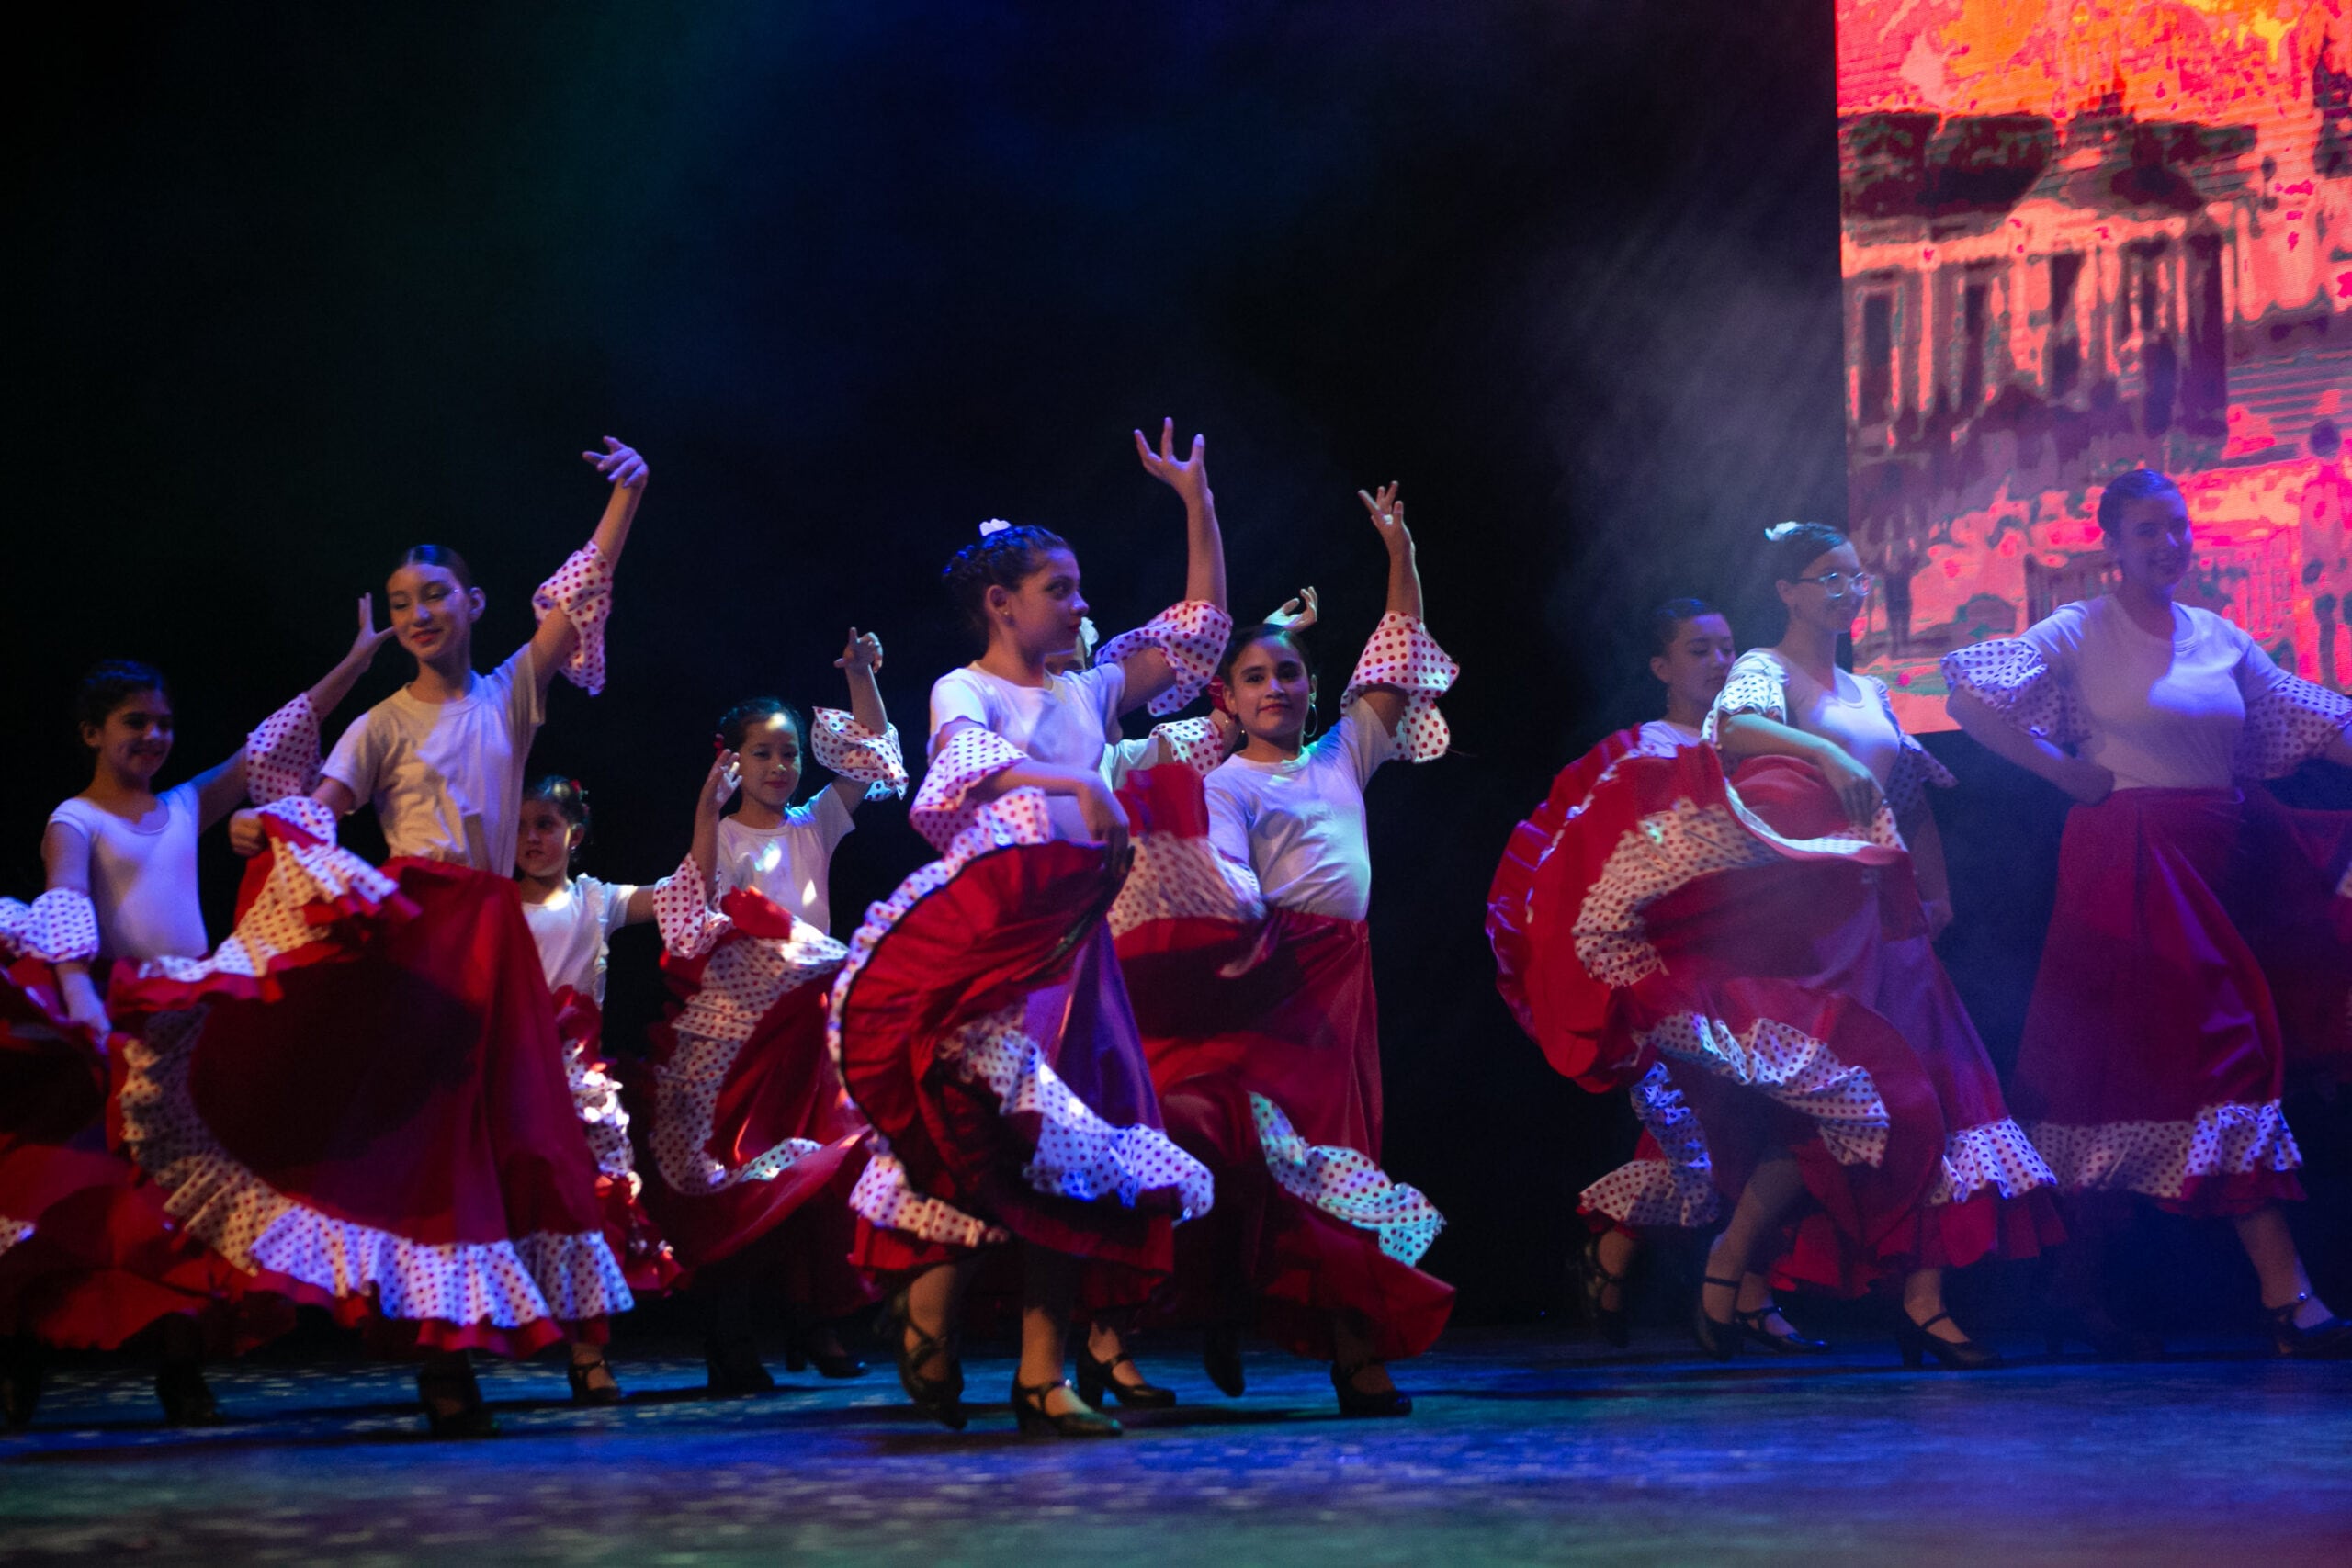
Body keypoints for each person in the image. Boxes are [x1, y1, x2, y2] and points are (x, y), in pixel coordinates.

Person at [109, 437, 652, 1435]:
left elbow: (575, 603)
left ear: (472, 606)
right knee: (431, 1145)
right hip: (418, 941)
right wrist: (259, 828)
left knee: (525, 1137)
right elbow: (319, 808)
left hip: (491, 934)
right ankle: (443, 1366)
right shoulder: (379, 725)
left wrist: (627, 497)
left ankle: (563, 1344)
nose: (417, 614)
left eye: (434, 594)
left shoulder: (509, 693)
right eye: (402, 602)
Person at [828, 418, 1227, 1437]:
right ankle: (930, 1312)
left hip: (1075, 946)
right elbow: (961, 769)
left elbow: (1196, 632)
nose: (1083, 604)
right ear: (1002, 604)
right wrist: (1066, 778)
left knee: (1073, 1153)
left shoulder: (1090, 687)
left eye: (1081, 588)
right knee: (974, 1132)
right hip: (994, 948)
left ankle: (1043, 1374)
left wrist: (1196, 503)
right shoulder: (963, 686)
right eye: (1064, 588)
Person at [1945, 468, 2352, 1357]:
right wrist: (2056, 769)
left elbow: (2314, 722)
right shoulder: (2081, 627)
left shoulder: (2219, 638)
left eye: (2175, 527)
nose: (2166, 544)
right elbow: (1967, 697)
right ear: (2111, 546)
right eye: (2144, 531)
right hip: (2129, 867)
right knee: (2226, 1058)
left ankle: (2069, 1290)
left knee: (2125, 1078)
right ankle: (2290, 1298)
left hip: (2218, 864)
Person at [1111, 483, 1455, 1416]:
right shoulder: (1228, 785)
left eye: (1290, 675)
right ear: (1225, 695)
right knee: (1239, 1147)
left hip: (1342, 977)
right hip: (1267, 973)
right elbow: (1225, 880)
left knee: (1341, 1154)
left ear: (1313, 688)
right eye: (1255, 678)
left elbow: (1394, 657)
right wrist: (1252, 933)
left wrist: (1399, 550)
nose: (1276, 689)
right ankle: (1197, 1310)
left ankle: (1355, 1354)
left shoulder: (1344, 752)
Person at [1, 624, 384, 1427]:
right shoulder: (75, 818)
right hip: (108, 1016)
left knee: (176, 1205)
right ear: (91, 732)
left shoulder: (181, 804)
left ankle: (181, 1370)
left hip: (182, 1017)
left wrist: (352, 661)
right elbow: (64, 897)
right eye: (135, 722)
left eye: (164, 722)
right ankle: (22, 1364)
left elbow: (271, 742)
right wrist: (77, 993)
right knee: (81, 1202)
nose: (154, 736)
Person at [1701, 521, 2060, 1365]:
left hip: (1889, 912)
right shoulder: (1765, 667)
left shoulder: (1872, 691)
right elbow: (1731, 731)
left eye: (1856, 577)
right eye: (1828, 577)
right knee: (1832, 1104)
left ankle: (1924, 1301)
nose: (1849, 590)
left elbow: (1909, 797)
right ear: (1788, 591)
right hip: (1814, 920)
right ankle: (1730, 1260)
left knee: (1940, 1095)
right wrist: (1824, 751)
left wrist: (1936, 890)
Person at [1490, 600, 1824, 1354]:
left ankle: (1730, 1281)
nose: (1717, 661)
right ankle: (1636, 1257)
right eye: (1698, 648)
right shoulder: (1639, 752)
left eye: (1727, 647)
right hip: (1666, 972)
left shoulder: (1753, 749)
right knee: (1703, 1124)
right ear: (1660, 667)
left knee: (1766, 1117)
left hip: (1749, 957)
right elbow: (1576, 863)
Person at [642, 653, 905, 1395]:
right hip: (743, 1028)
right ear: (731, 759)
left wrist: (862, 677)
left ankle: (814, 1319)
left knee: (822, 1168)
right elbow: (689, 914)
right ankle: (730, 1334)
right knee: (744, 1171)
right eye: (763, 752)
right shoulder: (722, 837)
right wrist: (702, 812)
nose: (781, 765)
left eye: (789, 751)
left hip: (811, 1024)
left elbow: (873, 757)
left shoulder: (812, 824)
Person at [514, 774, 684, 1404]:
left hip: (581, 1088)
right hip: (512, 1080)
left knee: (592, 1210)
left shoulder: (595, 901)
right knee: (508, 1211)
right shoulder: (492, 906)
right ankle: (472, 1353)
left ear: (574, 835)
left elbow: (680, 894)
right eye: (524, 825)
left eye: (547, 825)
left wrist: (709, 811)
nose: (533, 837)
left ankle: (589, 1353)